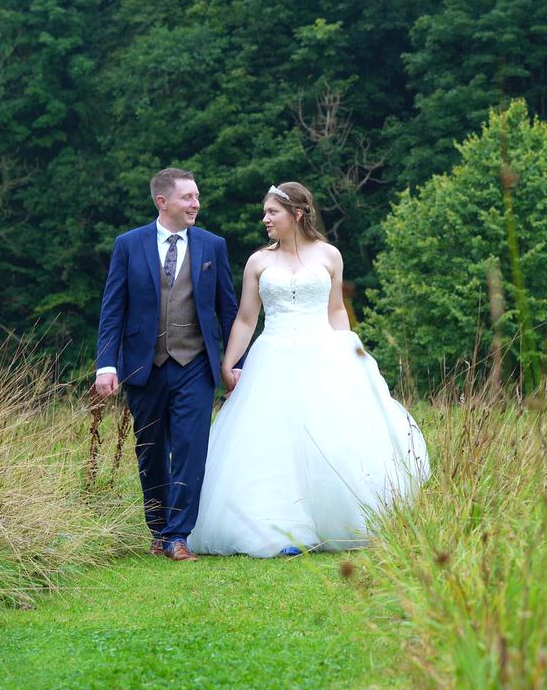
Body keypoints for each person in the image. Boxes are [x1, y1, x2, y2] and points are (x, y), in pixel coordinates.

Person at [186, 182, 428, 557]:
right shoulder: (259, 261)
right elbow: (247, 319)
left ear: (297, 214)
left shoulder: (329, 255)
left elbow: (335, 311)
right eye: (265, 213)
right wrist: (229, 362)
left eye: (272, 212)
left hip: (322, 353)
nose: (265, 219)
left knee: (330, 438)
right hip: (273, 357)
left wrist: (349, 351)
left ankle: (338, 521)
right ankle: (278, 529)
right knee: (271, 443)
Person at [94, 168, 241, 562]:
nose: (196, 204)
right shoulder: (128, 245)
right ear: (163, 202)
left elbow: (230, 310)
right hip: (144, 364)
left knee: (191, 447)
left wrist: (235, 362)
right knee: (151, 449)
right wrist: (105, 364)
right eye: (188, 197)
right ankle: (158, 529)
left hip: (196, 363)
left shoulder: (213, 246)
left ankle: (179, 535)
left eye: (196, 196)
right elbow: (113, 309)